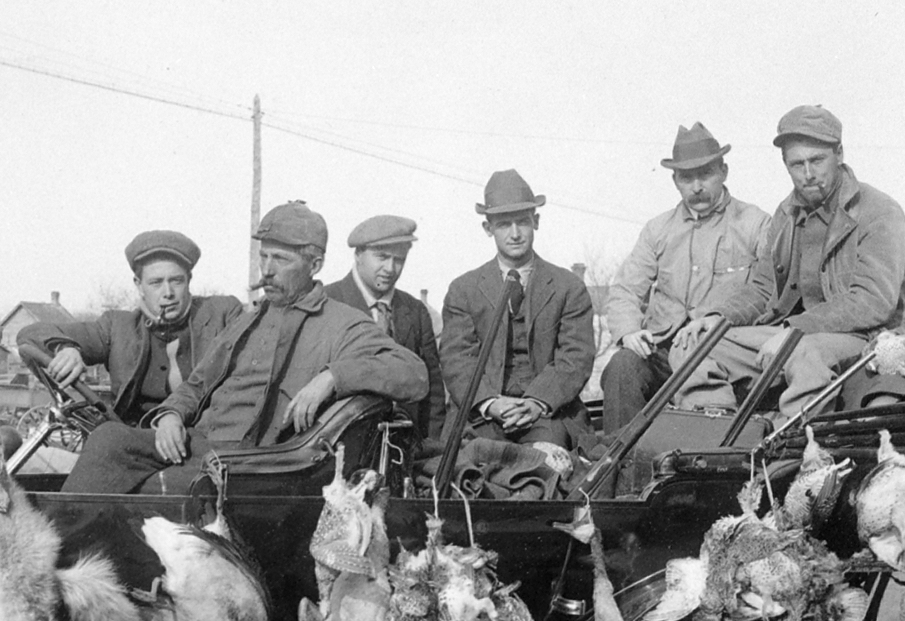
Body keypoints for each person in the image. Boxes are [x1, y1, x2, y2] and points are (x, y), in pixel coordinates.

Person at [59, 201, 429, 495]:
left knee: (160, 487)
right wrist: (170, 415)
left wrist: (333, 377)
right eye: (263, 256)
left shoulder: (341, 322)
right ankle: (56, 549)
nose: (266, 269)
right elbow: (198, 384)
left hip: (255, 461)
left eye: (280, 259)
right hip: (198, 443)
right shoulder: (250, 318)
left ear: (314, 264)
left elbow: (413, 373)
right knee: (109, 439)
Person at [710, 105, 905, 417]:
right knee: (699, 346)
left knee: (805, 354)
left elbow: (873, 302)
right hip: (793, 334)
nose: (807, 174)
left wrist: (794, 330)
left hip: (869, 337)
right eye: (797, 164)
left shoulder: (880, 211)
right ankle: (717, 431)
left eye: (817, 160)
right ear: (786, 166)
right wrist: (718, 318)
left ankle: (795, 441)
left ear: (839, 154)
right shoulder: (786, 214)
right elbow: (763, 288)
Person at [599, 123, 771, 430]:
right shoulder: (658, 229)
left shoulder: (754, 224)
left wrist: (721, 321)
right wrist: (629, 332)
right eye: (686, 178)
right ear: (675, 181)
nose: (697, 186)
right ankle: (620, 456)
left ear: (724, 172)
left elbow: (768, 289)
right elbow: (625, 289)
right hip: (663, 352)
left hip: (721, 354)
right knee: (622, 366)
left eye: (705, 174)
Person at [438, 169, 596, 450]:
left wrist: (536, 403)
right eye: (503, 225)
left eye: (522, 222)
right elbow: (457, 360)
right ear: (488, 229)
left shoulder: (568, 287)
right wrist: (491, 404)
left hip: (547, 413)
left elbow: (575, 357)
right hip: (481, 414)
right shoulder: (463, 290)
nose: (514, 234)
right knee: (475, 460)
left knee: (548, 459)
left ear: (536, 222)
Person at [21, 230, 244, 425]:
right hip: (134, 438)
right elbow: (30, 335)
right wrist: (65, 348)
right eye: (156, 283)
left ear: (189, 280)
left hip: (202, 440)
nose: (168, 293)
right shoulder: (117, 327)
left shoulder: (221, 314)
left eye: (176, 281)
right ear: (139, 285)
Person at [322, 214, 446, 452]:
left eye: (399, 259)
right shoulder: (328, 303)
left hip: (406, 451)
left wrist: (430, 448)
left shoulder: (416, 311)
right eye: (381, 257)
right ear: (358, 255)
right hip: (341, 448)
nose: (390, 268)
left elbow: (433, 395)